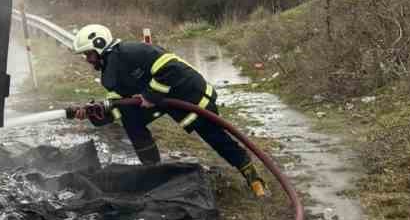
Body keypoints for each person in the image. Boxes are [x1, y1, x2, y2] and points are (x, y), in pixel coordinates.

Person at [70, 23, 268, 195]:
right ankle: (153, 171)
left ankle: (251, 174)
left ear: (99, 45)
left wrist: (149, 95)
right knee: (131, 119)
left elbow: (171, 68)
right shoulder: (109, 71)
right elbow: (120, 105)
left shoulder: (132, 51)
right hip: (164, 100)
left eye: (88, 54)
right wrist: (96, 114)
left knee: (212, 135)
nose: (88, 59)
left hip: (189, 94)